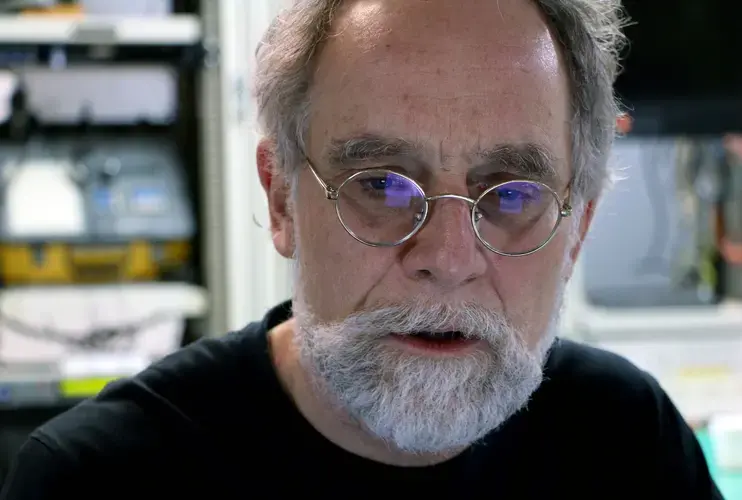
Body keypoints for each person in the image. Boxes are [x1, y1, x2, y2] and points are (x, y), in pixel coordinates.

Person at [1, 0, 723, 498]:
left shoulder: (628, 443)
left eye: (509, 196)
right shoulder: (96, 482)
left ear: (579, 229)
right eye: (381, 183)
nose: (445, 256)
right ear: (282, 198)